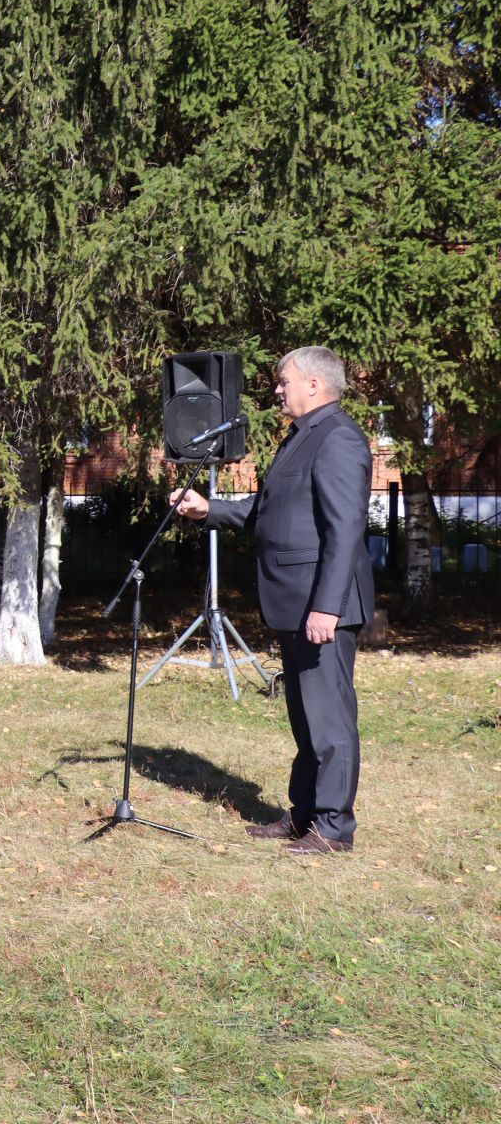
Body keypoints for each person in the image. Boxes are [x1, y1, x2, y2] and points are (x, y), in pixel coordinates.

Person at [171, 345, 374, 855]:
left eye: (284, 381)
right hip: (295, 602)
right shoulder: (300, 438)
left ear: (314, 384)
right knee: (305, 718)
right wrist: (207, 509)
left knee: (329, 719)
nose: (277, 390)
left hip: (321, 606)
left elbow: (345, 530)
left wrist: (327, 606)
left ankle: (333, 828)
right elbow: (266, 509)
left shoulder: (339, 438)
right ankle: (305, 814)